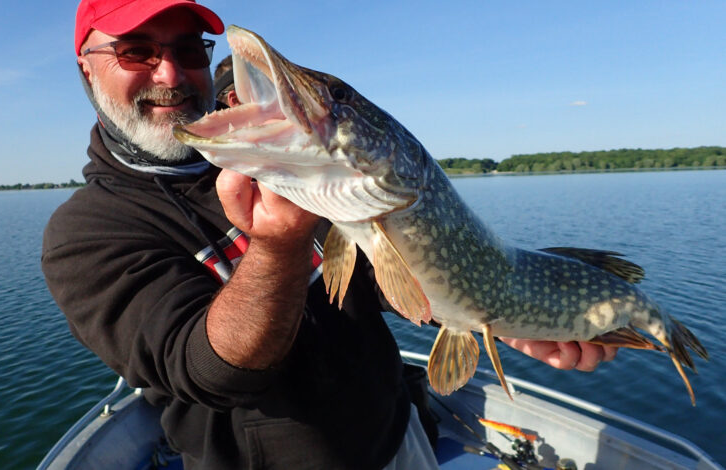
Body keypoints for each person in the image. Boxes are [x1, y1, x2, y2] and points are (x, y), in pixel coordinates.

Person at [43, 1, 617, 468]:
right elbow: (210, 371)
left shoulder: (289, 168)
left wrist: (490, 312)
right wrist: (278, 245)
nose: (170, 73)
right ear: (87, 68)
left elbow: (381, 277)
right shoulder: (87, 233)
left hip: (401, 437)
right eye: (136, 51)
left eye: (189, 49)